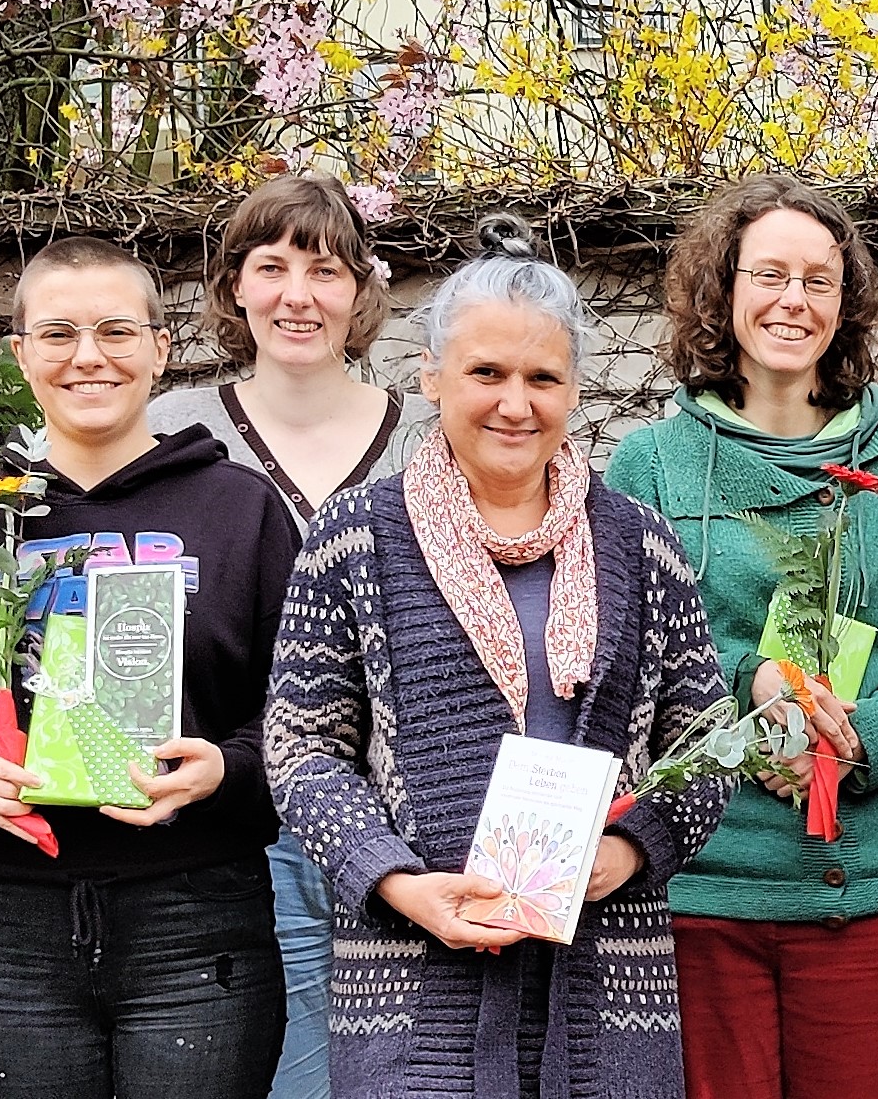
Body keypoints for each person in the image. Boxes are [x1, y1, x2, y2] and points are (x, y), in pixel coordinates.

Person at [267, 216, 729, 1099]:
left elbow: (705, 744)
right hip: (410, 987)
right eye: (486, 372)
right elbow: (300, 753)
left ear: (574, 392)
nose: (515, 403)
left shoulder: (639, 543)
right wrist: (396, 880)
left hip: (607, 984)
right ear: (432, 376)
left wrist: (632, 850)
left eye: (542, 377)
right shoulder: (354, 538)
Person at [0, 238, 297, 1099]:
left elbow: (307, 717)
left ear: (159, 348)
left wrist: (227, 768)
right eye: (58, 333)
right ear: (20, 352)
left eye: (115, 330)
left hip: (197, 918)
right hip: (11, 925)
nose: (88, 356)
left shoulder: (241, 510)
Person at [603, 179, 878, 1099]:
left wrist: (861, 740)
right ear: (722, 291)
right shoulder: (649, 463)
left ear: (845, 304)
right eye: (768, 274)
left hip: (865, 886)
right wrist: (750, 684)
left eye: (818, 279)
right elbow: (626, 649)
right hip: (702, 888)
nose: (792, 300)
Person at [149, 175, 429, 1099]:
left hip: (404, 817)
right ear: (233, 285)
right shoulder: (167, 436)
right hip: (231, 814)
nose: (297, 295)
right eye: (270, 267)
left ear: (361, 289)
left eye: (325, 268)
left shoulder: (428, 441)